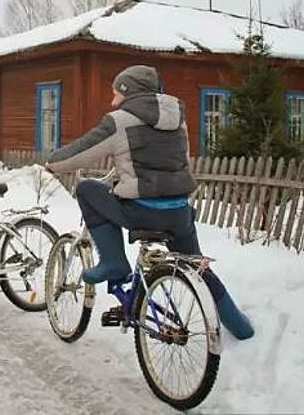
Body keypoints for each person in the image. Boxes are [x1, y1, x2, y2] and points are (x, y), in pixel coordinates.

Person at [45, 65, 254, 340]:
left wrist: (52, 162)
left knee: (87, 190)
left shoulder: (119, 120)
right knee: (196, 267)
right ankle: (240, 327)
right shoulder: (178, 118)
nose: (112, 101)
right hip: (179, 213)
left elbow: (80, 152)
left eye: (115, 95)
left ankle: (114, 263)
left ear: (127, 92)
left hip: (142, 212)